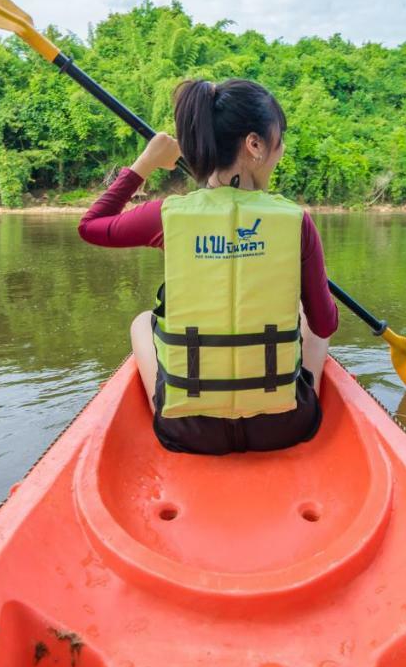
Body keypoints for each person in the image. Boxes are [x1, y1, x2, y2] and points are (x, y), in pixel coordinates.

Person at [78, 78, 339, 455]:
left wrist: (146, 163)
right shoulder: (296, 221)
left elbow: (90, 226)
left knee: (141, 322)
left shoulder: (167, 216)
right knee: (308, 316)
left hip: (188, 430)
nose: (281, 150)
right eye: (278, 140)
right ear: (254, 145)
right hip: (283, 426)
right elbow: (326, 323)